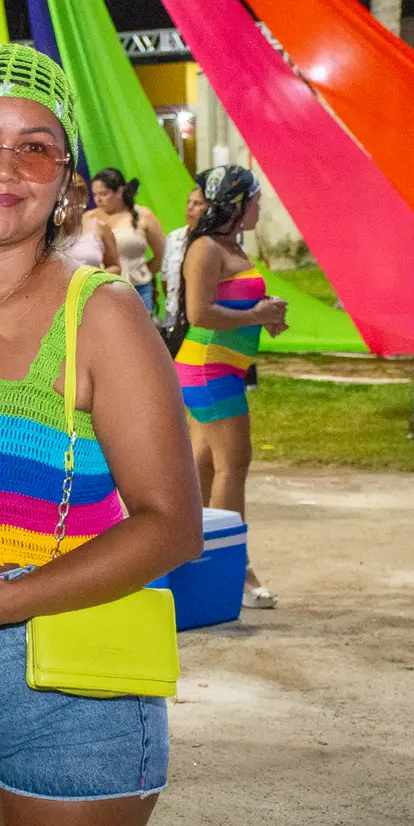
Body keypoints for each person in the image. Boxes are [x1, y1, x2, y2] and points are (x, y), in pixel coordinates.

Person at [0, 44, 203, 826]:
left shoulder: (99, 316)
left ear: (65, 181)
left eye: (35, 147)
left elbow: (172, 524)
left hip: (69, 691)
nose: (4, 166)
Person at [175, 165, 289, 609]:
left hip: (220, 368)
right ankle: (237, 572)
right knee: (233, 465)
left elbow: (231, 303)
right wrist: (256, 315)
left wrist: (266, 314)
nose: (260, 206)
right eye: (256, 199)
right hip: (209, 369)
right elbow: (199, 313)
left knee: (204, 469)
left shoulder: (229, 244)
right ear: (238, 203)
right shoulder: (205, 248)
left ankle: (197, 561)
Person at [86, 167, 165, 312]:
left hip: (138, 289)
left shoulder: (143, 215)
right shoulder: (88, 218)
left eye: (104, 194)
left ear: (120, 191)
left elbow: (162, 254)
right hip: (100, 291)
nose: (98, 199)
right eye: (95, 194)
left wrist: (141, 272)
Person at [158, 185, 208, 329]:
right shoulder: (174, 238)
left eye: (197, 204)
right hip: (173, 317)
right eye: (188, 202)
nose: (190, 208)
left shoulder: (214, 243)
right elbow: (165, 280)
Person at [59, 171, 119, 272]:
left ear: (84, 198)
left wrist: (94, 278)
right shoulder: (50, 231)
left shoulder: (100, 226)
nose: (71, 207)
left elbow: (115, 266)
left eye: (75, 201)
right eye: (65, 202)